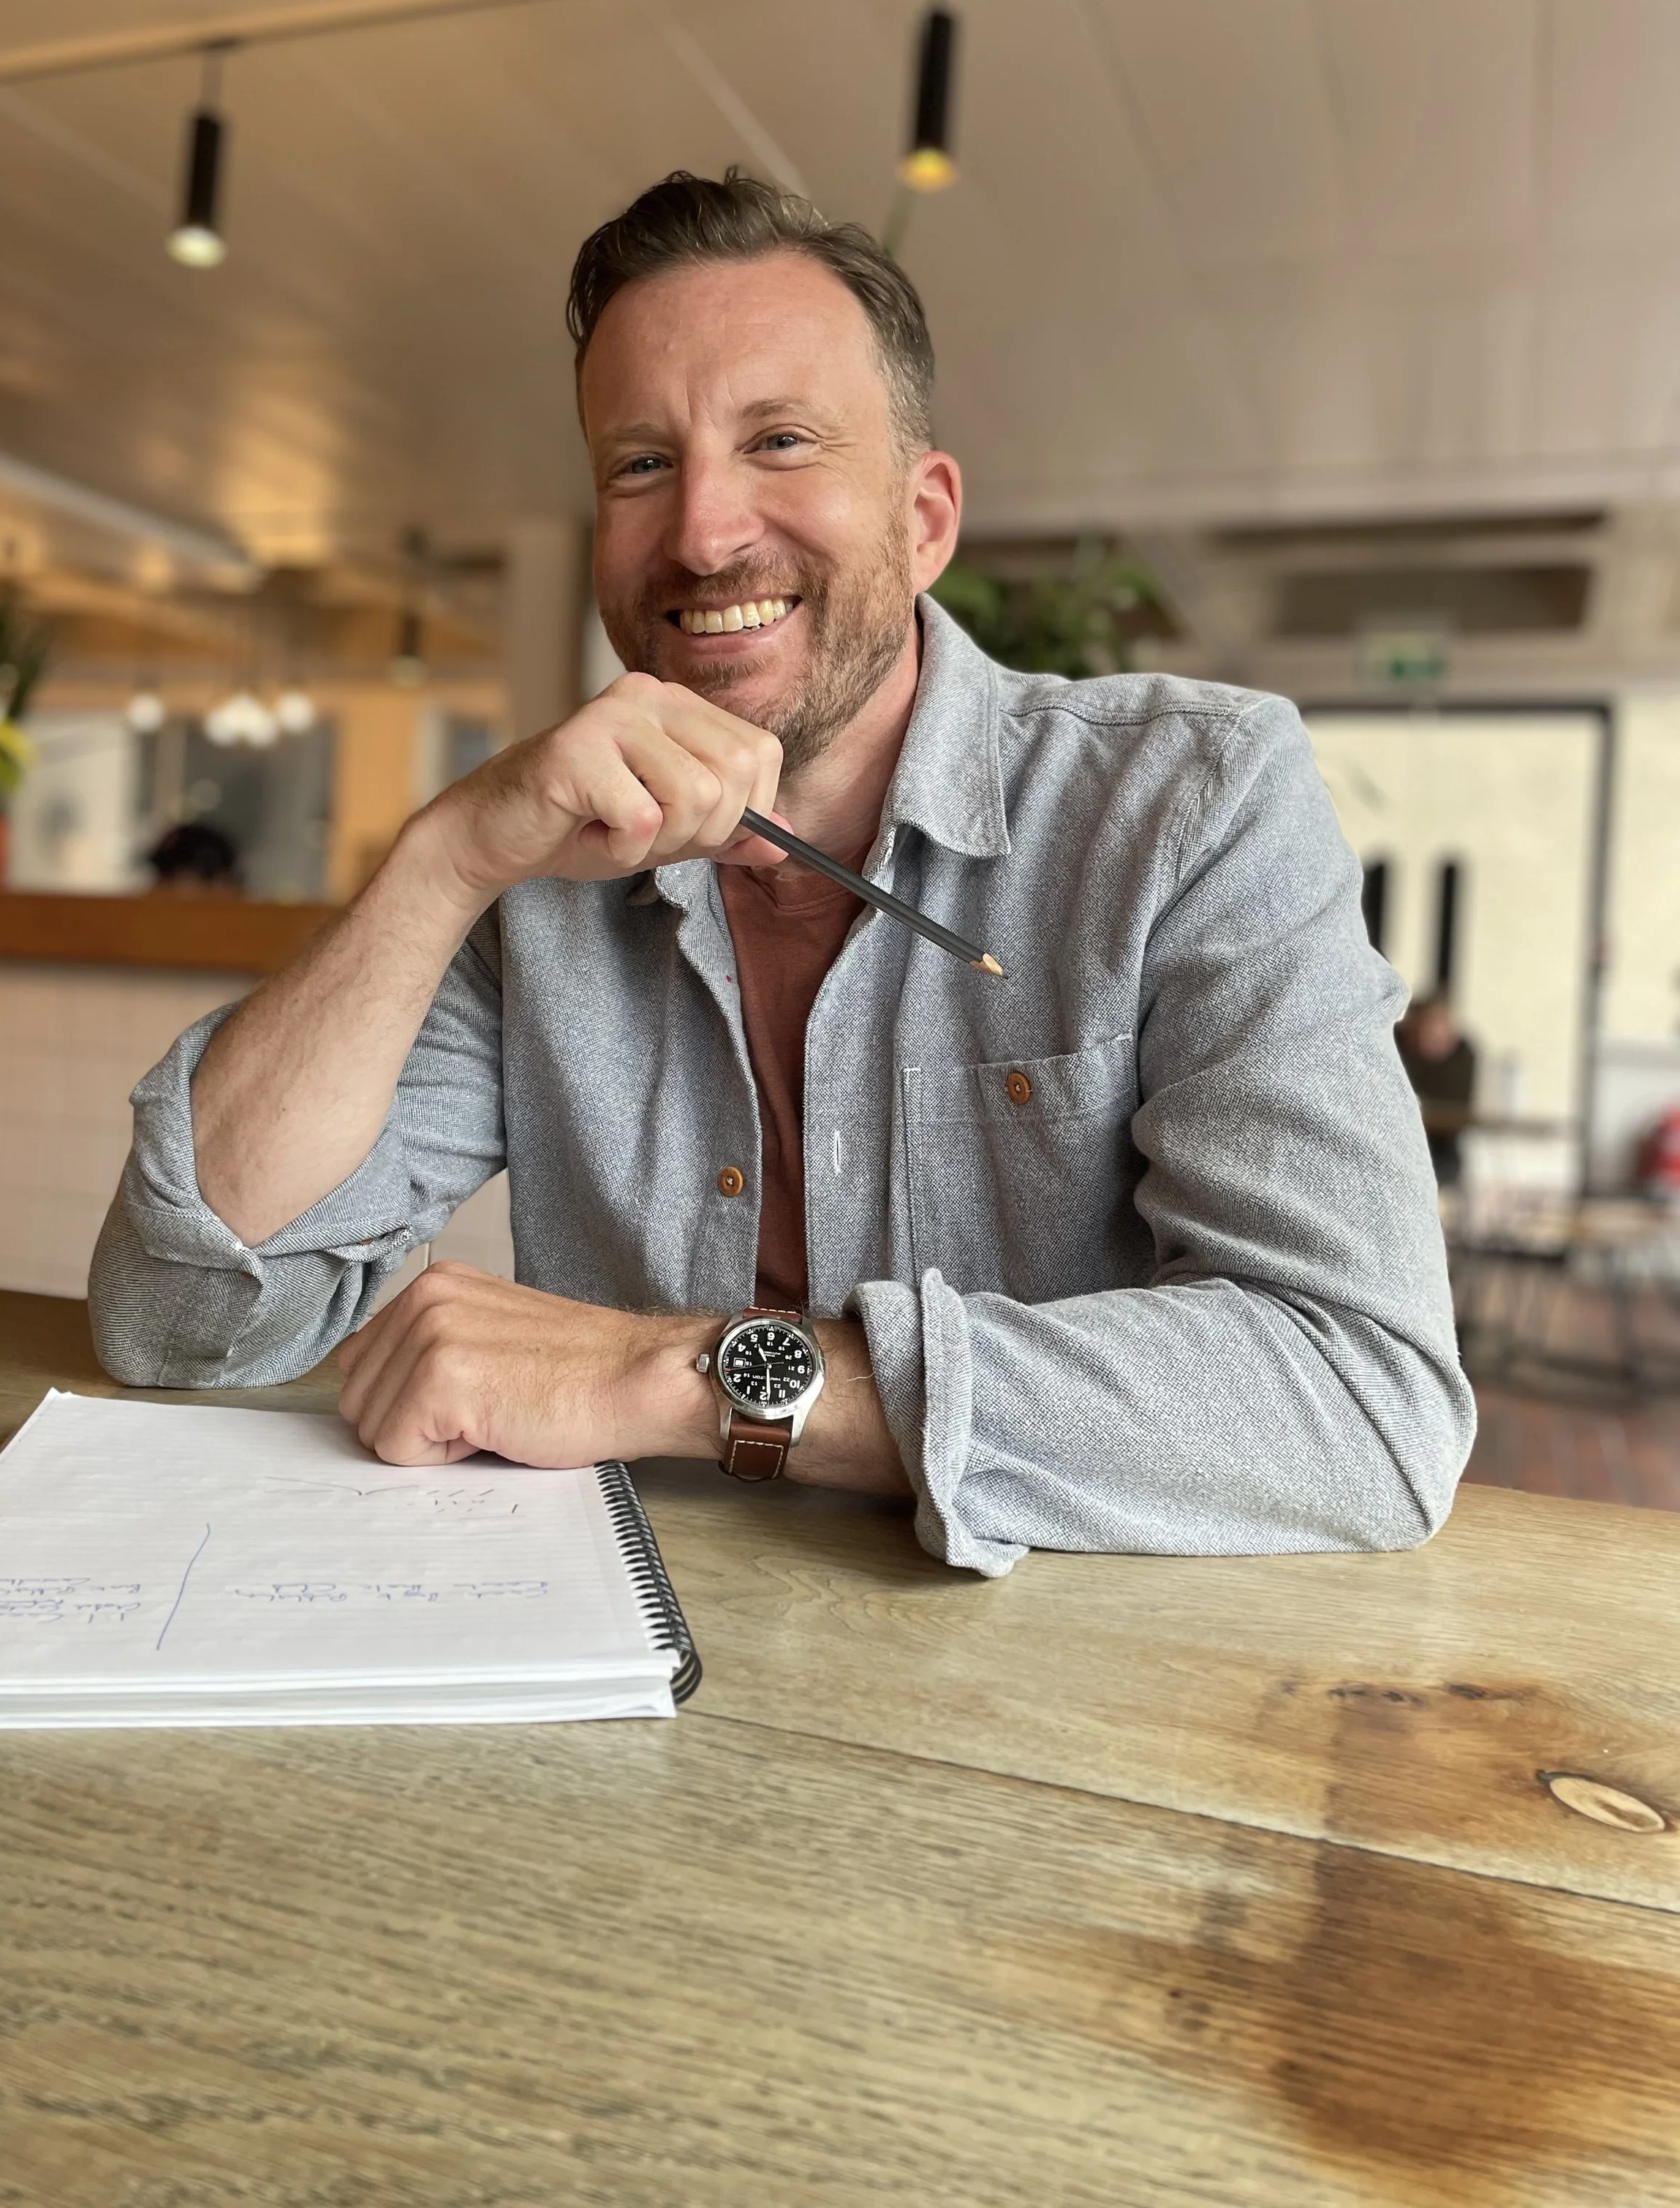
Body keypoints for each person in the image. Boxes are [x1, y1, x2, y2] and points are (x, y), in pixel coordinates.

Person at [89, 168, 1470, 1575]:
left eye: (782, 440)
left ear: (924, 519)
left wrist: (675, 1377)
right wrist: (440, 862)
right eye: (640, 463)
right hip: (619, 1670)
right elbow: (183, 1314)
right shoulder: (543, 879)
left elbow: (1361, 1394)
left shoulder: (1191, 801)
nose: (701, 531)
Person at [1396, 994, 1478, 1187]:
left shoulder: (1463, 1057)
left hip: (1441, 1146)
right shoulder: (1395, 1052)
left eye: (1435, 1032)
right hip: (1399, 1139)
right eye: (1421, 1031)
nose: (1427, 1039)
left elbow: (1459, 1111)